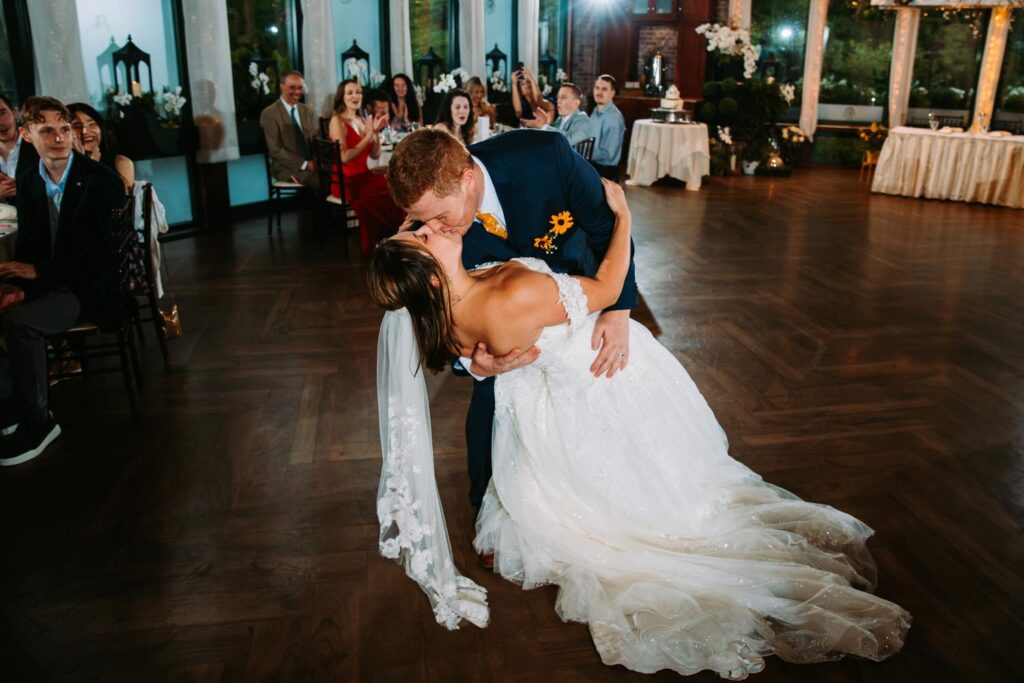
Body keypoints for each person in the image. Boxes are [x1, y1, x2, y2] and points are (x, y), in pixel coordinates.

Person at [367, 179, 912, 677]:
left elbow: (476, 349)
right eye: (423, 235)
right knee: (668, 489)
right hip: (604, 376)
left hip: (545, 408)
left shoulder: (444, 311)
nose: (432, 226)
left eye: (420, 223)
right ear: (430, 275)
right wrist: (625, 216)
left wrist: (480, 362)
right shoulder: (510, 296)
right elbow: (607, 289)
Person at [387, 128, 636, 521]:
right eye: (421, 220)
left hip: (579, 307)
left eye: (439, 216)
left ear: (467, 180)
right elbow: (431, 306)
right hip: (501, 336)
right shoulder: (435, 236)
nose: (432, 228)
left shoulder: (546, 156)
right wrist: (472, 363)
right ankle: (488, 507)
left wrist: (618, 311)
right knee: (491, 402)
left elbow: (606, 227)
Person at [0, 96, 126, 466]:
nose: (59, 138)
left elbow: (99, 256)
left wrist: (38, 275)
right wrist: (19, 285)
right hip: (54, 282)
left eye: (64, 128)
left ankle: (40, 423)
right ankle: (11, 405)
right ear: (27, 135)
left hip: (90, 288)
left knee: (20, 324)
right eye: (47, 130)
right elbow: (29, 245)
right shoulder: (29, 179)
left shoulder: (100, 180)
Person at [328, 79, 406, 255]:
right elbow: (343, 157)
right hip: (346, 179)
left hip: (363, 175)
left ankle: (394, 237)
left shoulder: (362, 120)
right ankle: (382, 240)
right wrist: (368, 136)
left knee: (394, 188)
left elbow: (375, 155)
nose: (355, 96)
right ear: (342, 97)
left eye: (358, 92)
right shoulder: (337, 121)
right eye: (350, 93)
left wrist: (375, 133)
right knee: (382, 193)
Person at [259, 70, 318, 188]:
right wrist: (304, 164)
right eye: (292, 87)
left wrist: (317, 161)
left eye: (300, 88)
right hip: (286, 169)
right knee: (322, 181)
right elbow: (275, 150)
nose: (297, 92)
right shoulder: (269, 114)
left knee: (339, 177)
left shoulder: (307, 111)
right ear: (281, 86)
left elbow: (315, 140)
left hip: (313, 165)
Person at [67, 102, 134, 192]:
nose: (84, 131)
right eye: (76, 126)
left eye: (92, 124)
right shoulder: (60, 167)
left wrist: (94, 166)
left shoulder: (120, 163)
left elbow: (119, 197)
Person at [522, 82, 596, 148]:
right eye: (558, 98)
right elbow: (550, 138)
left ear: (576, 103)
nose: (558, 101)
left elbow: (568, 141)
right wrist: (542, 124)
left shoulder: (583, 120)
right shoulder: (560, 119)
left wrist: (543, 126)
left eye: (563, 97)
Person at [0, 94, 39, 202]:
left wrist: (22, 188)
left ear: (14, 112)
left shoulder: (37, 144)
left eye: (2, 113)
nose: (0, 122)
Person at [590, 74, 625, 180]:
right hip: (593, 164)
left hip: (605, 171)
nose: (599, 92)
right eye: (597, 88)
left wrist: (583, 152)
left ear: (612, 93)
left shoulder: (613, 118)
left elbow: (608, 155)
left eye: (604, 89)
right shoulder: (595, 112)